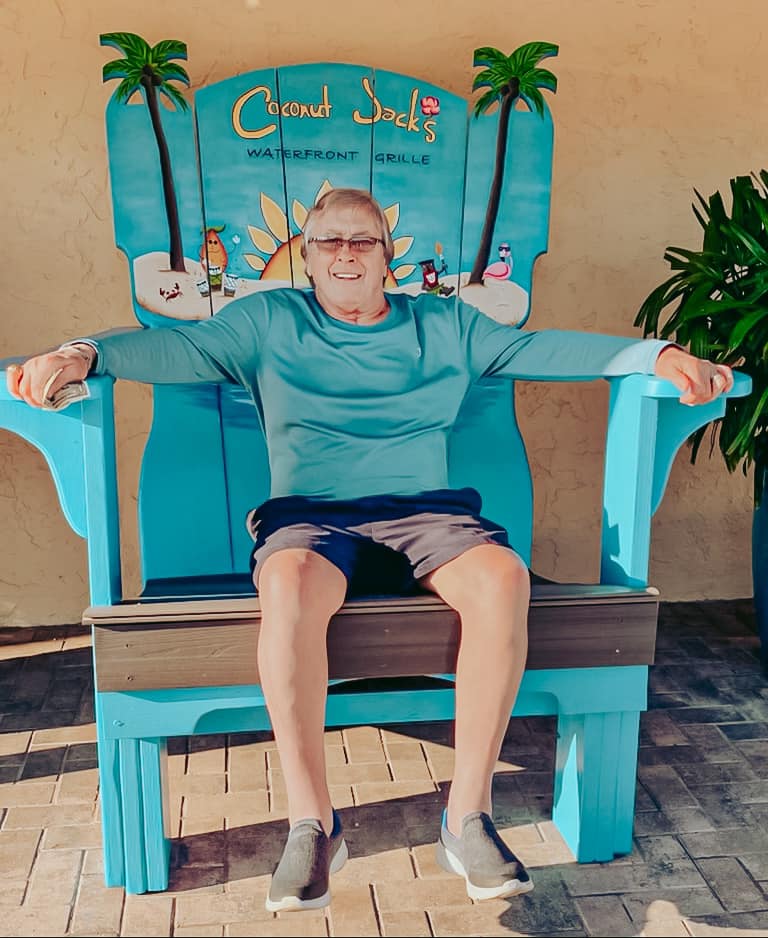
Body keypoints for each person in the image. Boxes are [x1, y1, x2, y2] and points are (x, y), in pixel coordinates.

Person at [6, 188, 733, 912]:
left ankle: (468, 817)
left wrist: (656, 354)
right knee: (287, 583)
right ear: (307, 256)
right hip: (313, 519)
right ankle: (313, 824)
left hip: (427, 516)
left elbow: (542, 349)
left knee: (502, 577)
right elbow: (175, 348)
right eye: (330, 240)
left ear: (388, 257)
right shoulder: (268, 320)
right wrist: (82, 353)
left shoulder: (446, 324)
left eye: (363, 240)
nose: (346, 254)